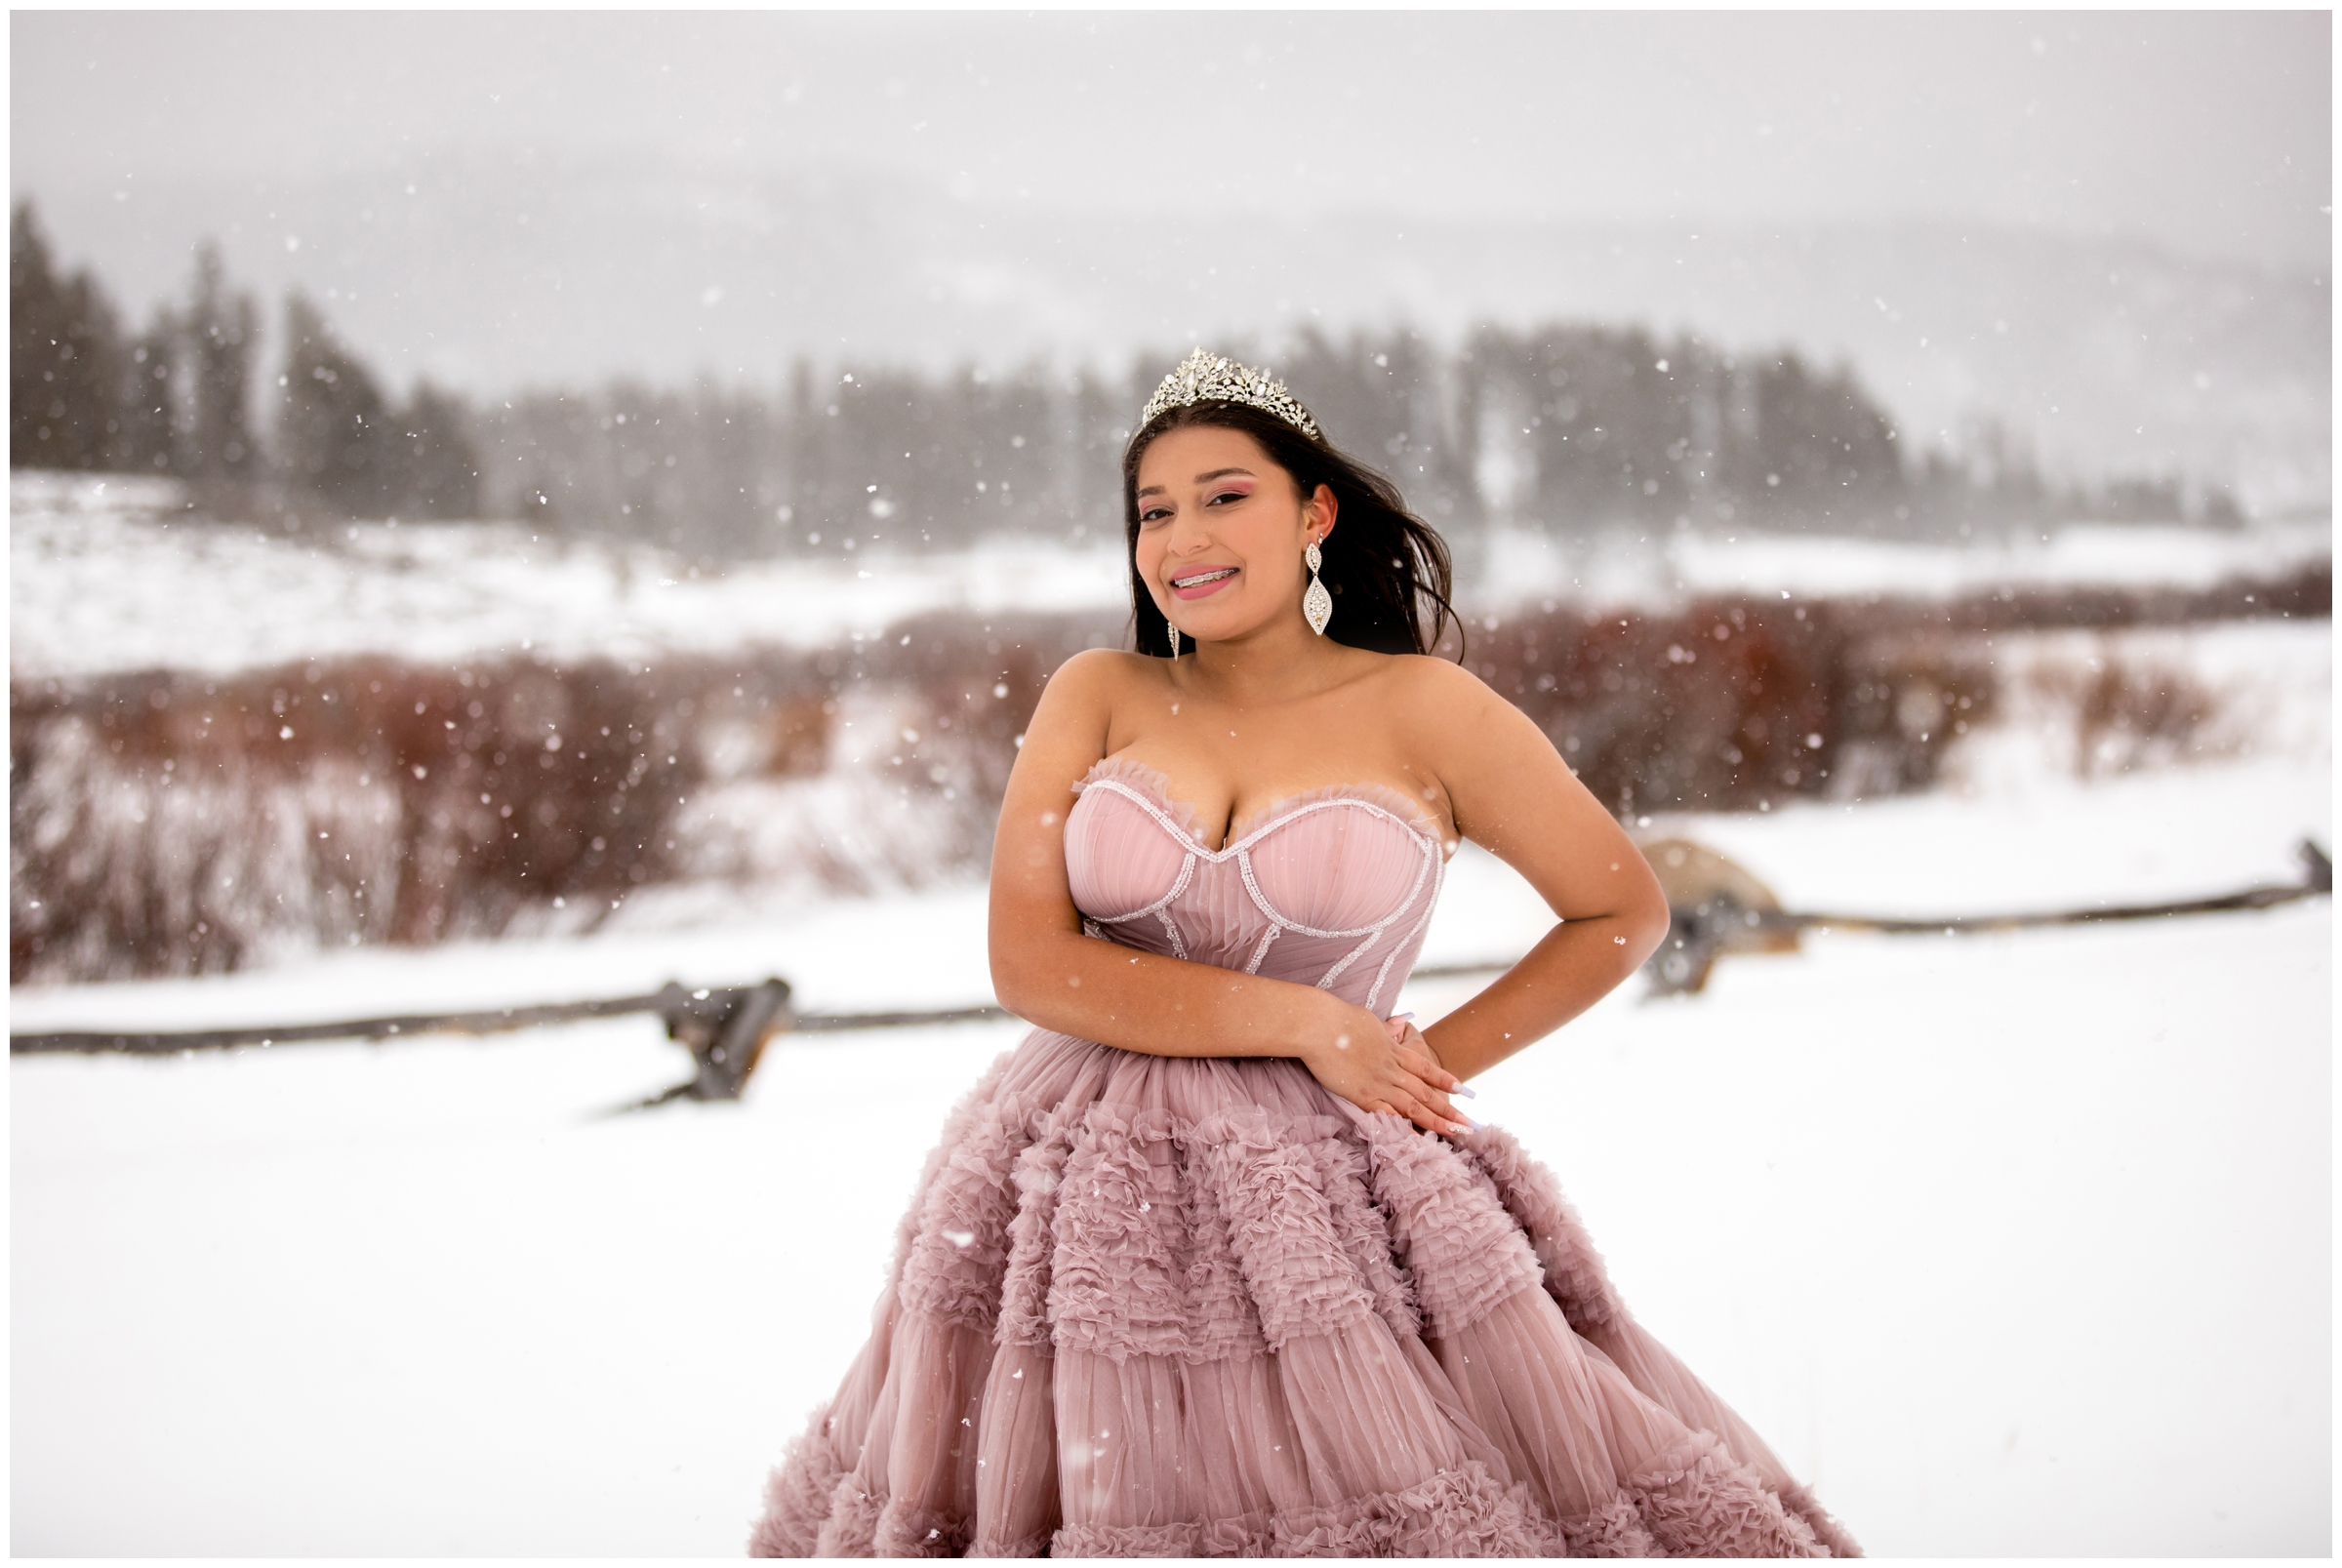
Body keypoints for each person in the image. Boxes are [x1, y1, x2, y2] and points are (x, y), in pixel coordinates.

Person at [748, 349, 1859, 1558]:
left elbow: (1618, 910)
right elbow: (1031, 964)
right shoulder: (1099, 692)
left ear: (1314, 511)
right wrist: (1304, 1021)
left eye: (1226, 495)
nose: (1184, 537)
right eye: (1153, 511)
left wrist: (1419, 1058)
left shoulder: (1426, 710)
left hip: (1332, 1188)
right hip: (1064, 1184)